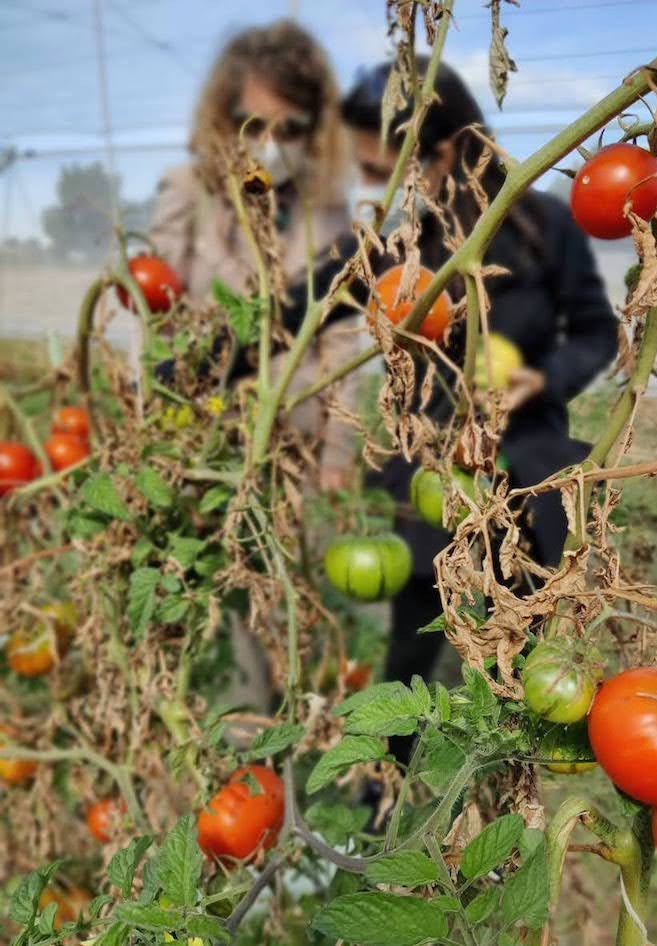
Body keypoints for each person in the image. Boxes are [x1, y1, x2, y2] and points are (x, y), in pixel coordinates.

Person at [339, 60, 619, 761]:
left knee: (517, 641)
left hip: (522, 473)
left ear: (436, 152)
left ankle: (506, 791)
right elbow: (303, 299)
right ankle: (387, 780)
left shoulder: (545, 227)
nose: (378, 190)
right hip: (427, 475)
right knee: (412, 635)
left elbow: (596, 331)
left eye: (384, 170)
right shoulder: (399, 246)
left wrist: (540, 379)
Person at [149, 20, 358, 492]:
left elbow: (341, 336)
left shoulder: (324, 208)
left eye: (290, 130)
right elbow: (156, 318)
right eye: (255, 124)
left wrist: (338, 451)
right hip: (204, 444)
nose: (270, 145)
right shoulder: (189, 191)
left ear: (316, 129)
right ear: (226, 119)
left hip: (295, 452)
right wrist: (160, 423)